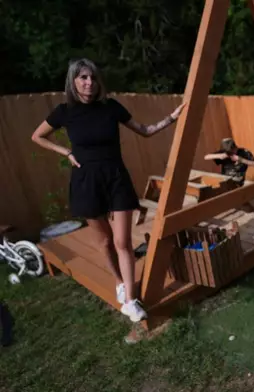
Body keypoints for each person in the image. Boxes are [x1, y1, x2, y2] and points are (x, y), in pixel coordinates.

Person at [30, 58, 185, 323]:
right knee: (104, 243)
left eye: (93, 77)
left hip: (116, 178)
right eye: (83, 78)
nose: (89, 83)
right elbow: (37, 136)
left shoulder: (110, 107)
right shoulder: (64, 111)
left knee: (122, 242)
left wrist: (170, 119)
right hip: (86, 182)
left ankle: (130, 301)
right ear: (73, 81)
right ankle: (119, 281)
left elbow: (145, 131)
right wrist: (66, 151)